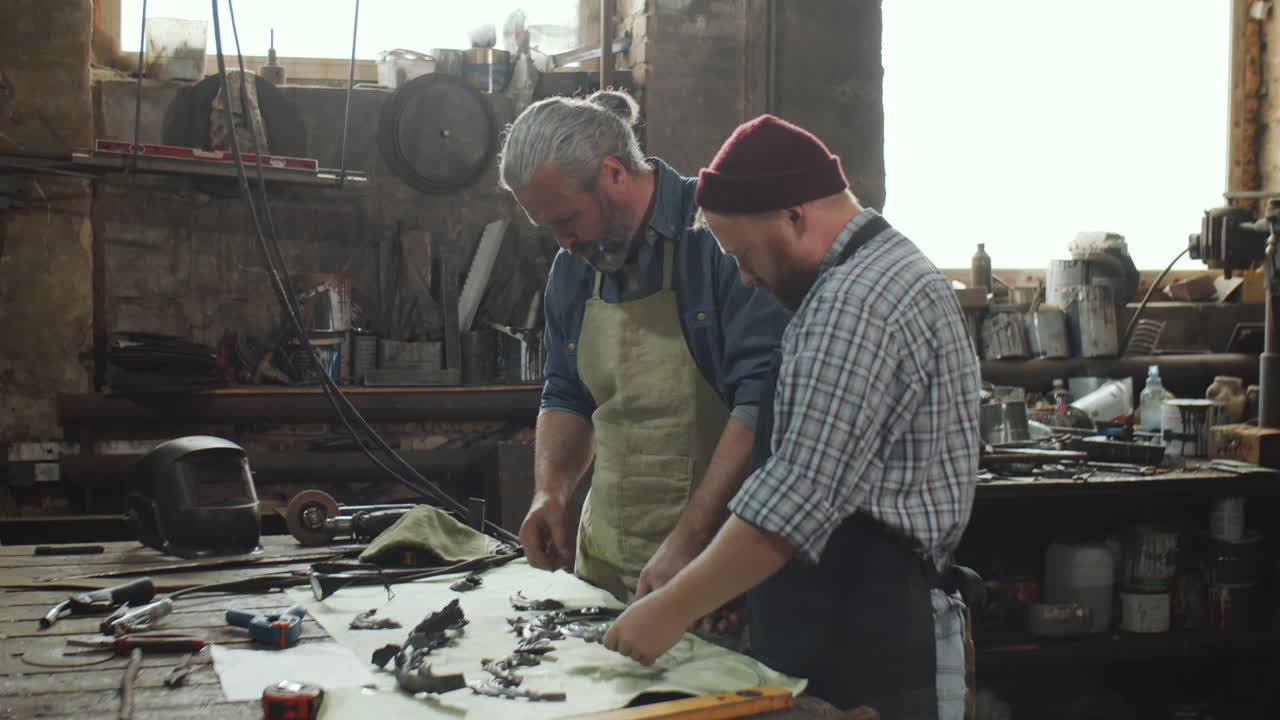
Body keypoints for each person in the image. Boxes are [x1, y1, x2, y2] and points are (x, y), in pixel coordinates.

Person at [602, 114, 982, 720]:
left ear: (794, 216)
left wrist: (669, 608)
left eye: (744, 254)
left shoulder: (854, 306)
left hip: (871, 644)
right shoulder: (878, 274)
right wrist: (756, 589)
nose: (746, 278)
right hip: (846, 610)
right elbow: (845, 481)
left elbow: (794, 500)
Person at [497, 90, 789, 607]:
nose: (562, 240)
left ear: (613, 173)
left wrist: (691, 539)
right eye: (549, 228)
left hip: (711, 569)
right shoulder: (573, 266)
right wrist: (550, 491)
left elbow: (762, 401)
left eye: (568, 218)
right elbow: (567, 391)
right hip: (604, 564)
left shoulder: (717, 235)